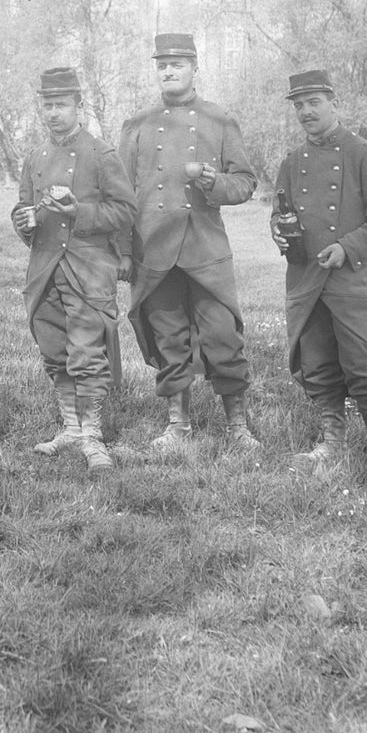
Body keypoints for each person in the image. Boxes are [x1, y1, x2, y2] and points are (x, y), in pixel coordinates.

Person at [118, 32, 261, 453]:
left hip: (205, 249)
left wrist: (214, 181)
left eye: (177, 64)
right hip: (154, 250)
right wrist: (124, 251)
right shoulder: (137, 124)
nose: (169, 71)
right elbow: (122, 195)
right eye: (162, 64)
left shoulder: (219, 121)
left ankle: (238, 426)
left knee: (223, 336)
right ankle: (177, 425)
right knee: (168, 337)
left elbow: (246, 183)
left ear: (195, 67)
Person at [271, 70, 367, 478]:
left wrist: (347, 248)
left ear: (334, 104)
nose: (305, 112)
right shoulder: (291, 162)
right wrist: (280, 235)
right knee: (317, 363)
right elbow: (280, 217)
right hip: (305, 279)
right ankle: (331, 441)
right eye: (299, 105)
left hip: (354, 280)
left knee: (366, 362)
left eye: (313, 102)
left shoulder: (363, 153)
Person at [11, 67, 137, 471]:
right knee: (54, 350)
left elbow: (125, 211)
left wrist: (78, 211)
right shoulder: (35, 157)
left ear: (79, 106)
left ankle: (93, 434)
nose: (53, 113)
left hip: (88, 267)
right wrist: (22, 221)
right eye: (47, 105)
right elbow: (23, 205)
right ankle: (70, 427)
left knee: (87, 353)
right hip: (45, 268)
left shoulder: (101, 154)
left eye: (61, 105)